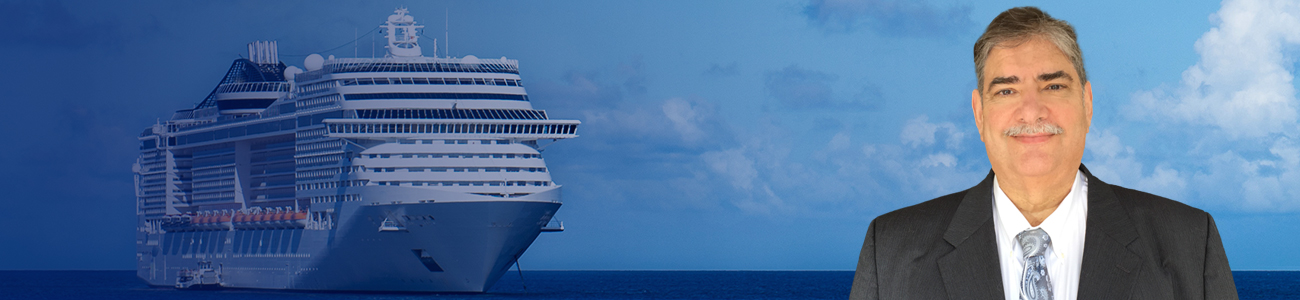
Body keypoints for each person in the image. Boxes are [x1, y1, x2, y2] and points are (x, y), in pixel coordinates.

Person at [849, 6, 1237, 300]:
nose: (1032, 110)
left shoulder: (1188, 243)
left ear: (1086, 103)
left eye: (1053, 86)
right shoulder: (892, 251)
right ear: (979, 114)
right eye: (1006, 90)